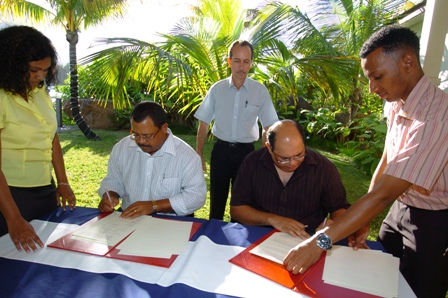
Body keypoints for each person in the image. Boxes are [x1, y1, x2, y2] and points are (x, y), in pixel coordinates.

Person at [283, 25, 448, 298]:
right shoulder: (397, 101)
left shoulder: (437, 117)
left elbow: (384, 195)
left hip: (435, 220)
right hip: (400, 209)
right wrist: (363, 219)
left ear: (407, 63)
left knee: (417, 291)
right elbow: (387, 159)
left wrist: (319, 242)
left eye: (377, 77)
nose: (372, 88)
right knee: (379, 280)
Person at [0, 26, 76, 252]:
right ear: (13, 65)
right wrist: (13, 219)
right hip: (9, 196)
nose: (41, 76)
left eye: (45, 70)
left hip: (44, 190)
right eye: (34, 70)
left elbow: (51, 137)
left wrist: (62, 182)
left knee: (43, 259)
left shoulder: (40, 91)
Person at [230, 120, 361, 239]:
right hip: (258, 236)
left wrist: (332, 225)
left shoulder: (323, 168)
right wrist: (272, 219)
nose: (292, 163)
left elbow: (339, 208)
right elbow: (237, 209)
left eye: (299, 155)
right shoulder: (252, 163)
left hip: (307, 239)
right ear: (269, 148)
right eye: (283, 158)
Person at [194, 40, 278, 220]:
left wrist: (266, 156)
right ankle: (212, 241)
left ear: (251, 63)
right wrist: (199, 154)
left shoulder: (259, 91)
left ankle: (237, 244)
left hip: (247, 154)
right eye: (237, 61)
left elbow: (269, 126)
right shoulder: (217, 89)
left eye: (246, 61)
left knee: (243, 204)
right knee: (216, 202)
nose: (242, 67)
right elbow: (203, 123)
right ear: (229, 61)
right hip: (221, 152)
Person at [98, 101, 206, 218]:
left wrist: (154, 206)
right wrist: (110, 195)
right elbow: (114, 179)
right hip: (129, 217)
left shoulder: (186, 156)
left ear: (164, 128)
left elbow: (196, 196)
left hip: (171, 221)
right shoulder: (122, 148)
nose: (141, 141)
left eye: (147, 136)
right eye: (135, 134)